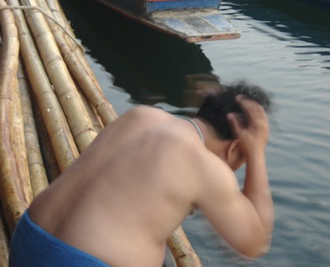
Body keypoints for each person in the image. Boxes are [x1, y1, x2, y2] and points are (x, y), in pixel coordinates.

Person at [9, 81, 274, 267]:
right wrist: (257, 154)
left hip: (28, 240)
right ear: (237, 147)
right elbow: (255, 243)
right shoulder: (206, 166)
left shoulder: (141, 116)